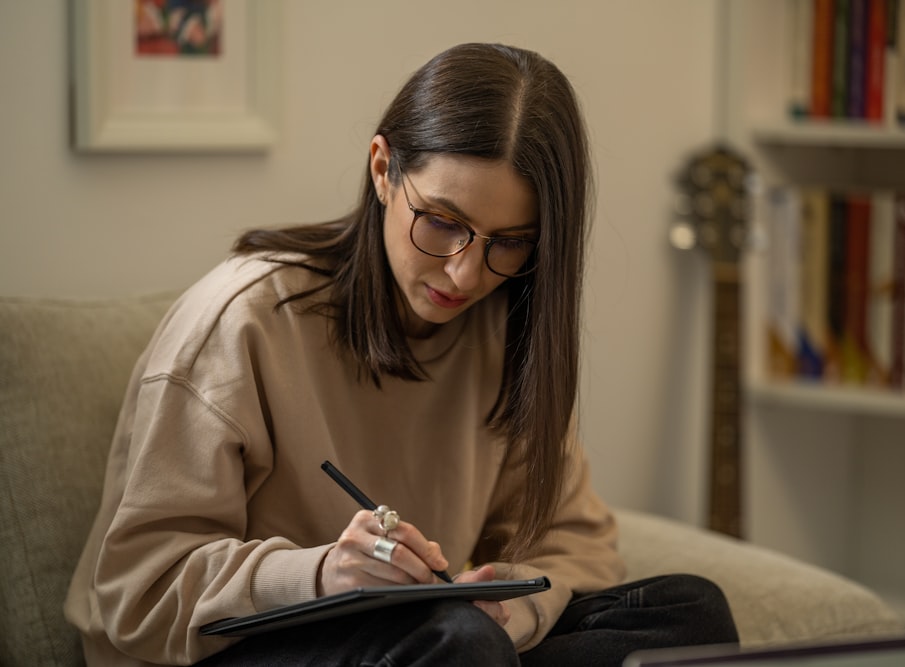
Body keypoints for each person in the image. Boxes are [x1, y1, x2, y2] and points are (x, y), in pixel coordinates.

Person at [64, 42, 738, 666]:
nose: (465, 274)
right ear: (383, 169)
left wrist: (519, 604)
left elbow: (576, 541)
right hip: (247, 647)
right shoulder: (245, 322)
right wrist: (324, 573)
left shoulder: (504, 327)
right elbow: (133, 588)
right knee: (456, 641)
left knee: (688, 610)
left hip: (442, 647)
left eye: (509, 241)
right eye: (442, 222)